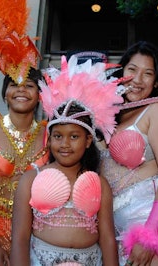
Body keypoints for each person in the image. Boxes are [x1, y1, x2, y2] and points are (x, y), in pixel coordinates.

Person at [10, 55, 122, 265]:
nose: (65, 144)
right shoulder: (30, 179)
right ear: (49, 139)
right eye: (58, 136)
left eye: (74, 136)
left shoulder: (100, 184)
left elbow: (107, 238)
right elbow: (20, 238)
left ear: (88, 140)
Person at [98, 41, 158, 265]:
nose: (137, 80)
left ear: (156, 82)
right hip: (113, 230)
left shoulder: (157, 111)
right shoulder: (107, 116)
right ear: (121, 72)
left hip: (156, 226)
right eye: (132, 70)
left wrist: (150, 236)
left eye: (148, 74)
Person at [0, 67, 49, 266]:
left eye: (29, 86)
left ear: (40, 95)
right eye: (14, 85)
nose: (21, 90)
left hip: (40, 232)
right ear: (5, 93)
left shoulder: (51, 134)